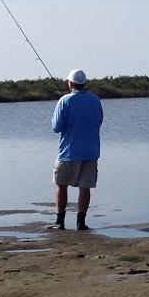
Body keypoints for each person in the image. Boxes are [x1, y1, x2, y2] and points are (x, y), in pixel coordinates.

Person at [51, 68, 104, 230]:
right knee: (85, 187)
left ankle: (60, 221)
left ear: (71, 83)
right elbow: (99, 121)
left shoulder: (64, 100)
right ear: (84, 83)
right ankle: (81, 222)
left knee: (61, 185)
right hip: (91, 151)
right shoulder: (95, 100)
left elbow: (56, 127)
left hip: (68, 152)